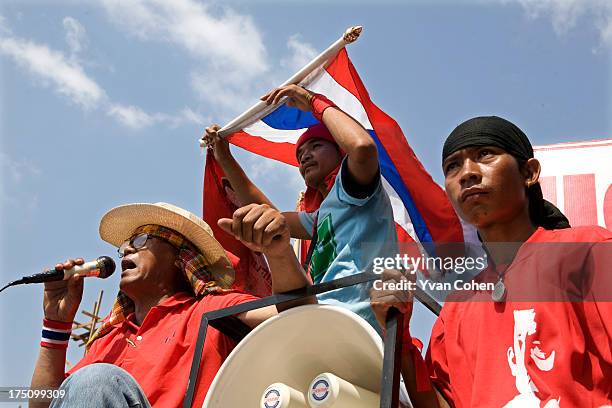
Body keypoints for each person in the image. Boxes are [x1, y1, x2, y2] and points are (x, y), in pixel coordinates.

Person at [370, 116, 612, 407]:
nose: (467, 173)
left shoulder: (587, 252)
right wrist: (401, 338)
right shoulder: (456, 307)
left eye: (485, 154)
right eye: (453, 166)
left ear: (529, 172)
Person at [30, 202, 313, 408]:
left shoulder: (208, 309)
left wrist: (279, 253)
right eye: (125, 245)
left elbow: (302, 321)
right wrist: (55, 323)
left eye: (141, 240)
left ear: (181, 258)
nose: (127, 249)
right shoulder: (109, 338)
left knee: (95, 381)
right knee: (91, 383)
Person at [204, 84, 398, 330]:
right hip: (322, 313)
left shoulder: (356, 190)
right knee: (226, 315)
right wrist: (225, 158)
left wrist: (313, 101)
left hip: (357, 317)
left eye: (316, 146)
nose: (305, 156)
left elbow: (363, 148)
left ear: (340, 152)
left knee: (243, 318)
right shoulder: (320, 215)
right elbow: (270, 218)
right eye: (300, 154)